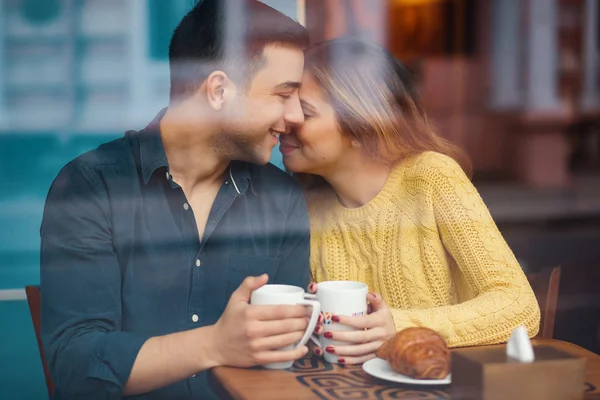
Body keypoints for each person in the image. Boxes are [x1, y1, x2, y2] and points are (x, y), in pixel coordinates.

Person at [40, 1, 312, 398]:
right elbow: (76, 369)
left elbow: (287, 357)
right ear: (218, 90)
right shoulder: (90, 187)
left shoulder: (282, 198)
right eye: (283, 94)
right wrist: (214, 345)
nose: (297, 116)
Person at [280, 38, 541, 365]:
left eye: (304, 111)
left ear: (362, 122)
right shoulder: (304, 207)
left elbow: (520, 308)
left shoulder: (432, 178)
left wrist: (401, 327)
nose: (286, 120)